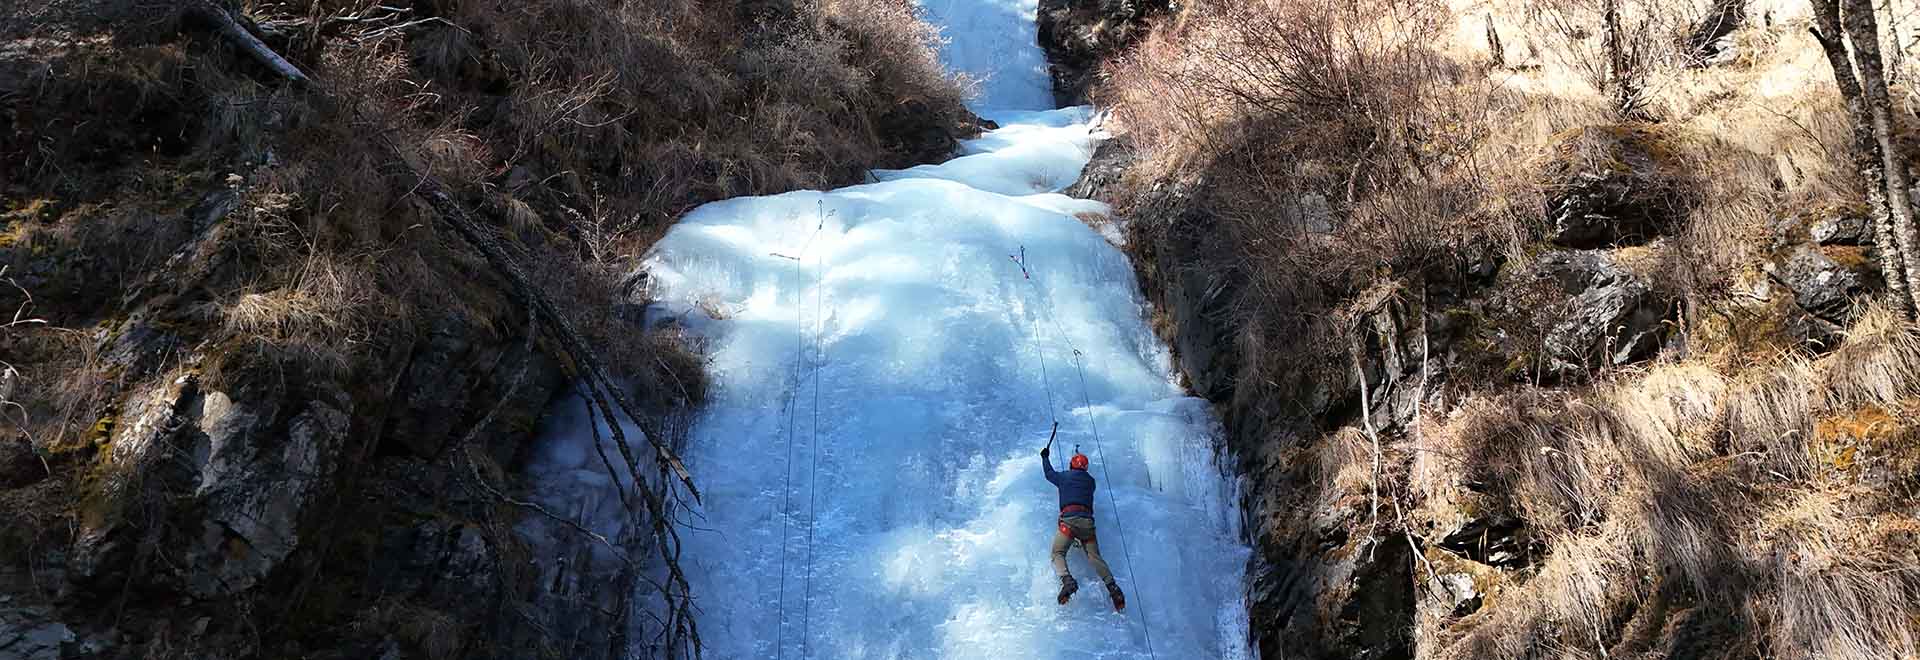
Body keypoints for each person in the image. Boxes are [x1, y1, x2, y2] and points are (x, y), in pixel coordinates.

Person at [1041, 444, 1126, 610]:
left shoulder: (1064, 477)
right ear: (1085, 469)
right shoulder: (1091, 482)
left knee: (1057, 552)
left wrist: (1045, 457)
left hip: (1069, 522)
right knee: (1094, 557)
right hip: (1087, 524)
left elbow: (1049, 474)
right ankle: (1113, 589)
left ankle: (1067, 581)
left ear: (1071, 465)